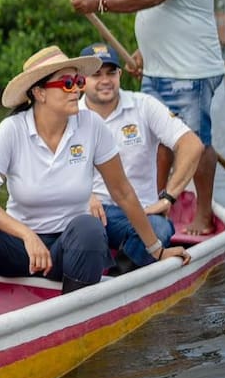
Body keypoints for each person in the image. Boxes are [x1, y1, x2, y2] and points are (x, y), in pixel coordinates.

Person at [0, 46, 190, 295]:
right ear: (39, 93)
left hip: (69, 248)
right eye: (67, 83)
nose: (77, 88)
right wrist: (26, 235)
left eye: (77, 81)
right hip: (21, 248)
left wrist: (157, 250)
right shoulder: (11, 130)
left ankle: (76, 315)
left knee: (90, 229)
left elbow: (123, 192)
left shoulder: (91, 125)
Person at [70, 0, 225, 236]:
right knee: (157, 142)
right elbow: (167, 18)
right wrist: (143, 52)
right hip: (158, 69)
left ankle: (202, 213)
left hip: (191, 72)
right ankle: (156, 204)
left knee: (196, 141)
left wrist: (100, 2)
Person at [78, 42, 204, 271]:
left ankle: (119, 279)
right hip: (85, 210)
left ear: (120, 74)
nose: (105, 80)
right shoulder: (70, 114)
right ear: (81, 80)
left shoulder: (143, 105)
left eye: (110, 73)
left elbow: (192, 145)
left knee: (159, 229)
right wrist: (83, 196)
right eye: (96, 75)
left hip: (138, 213)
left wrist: (168, 198)